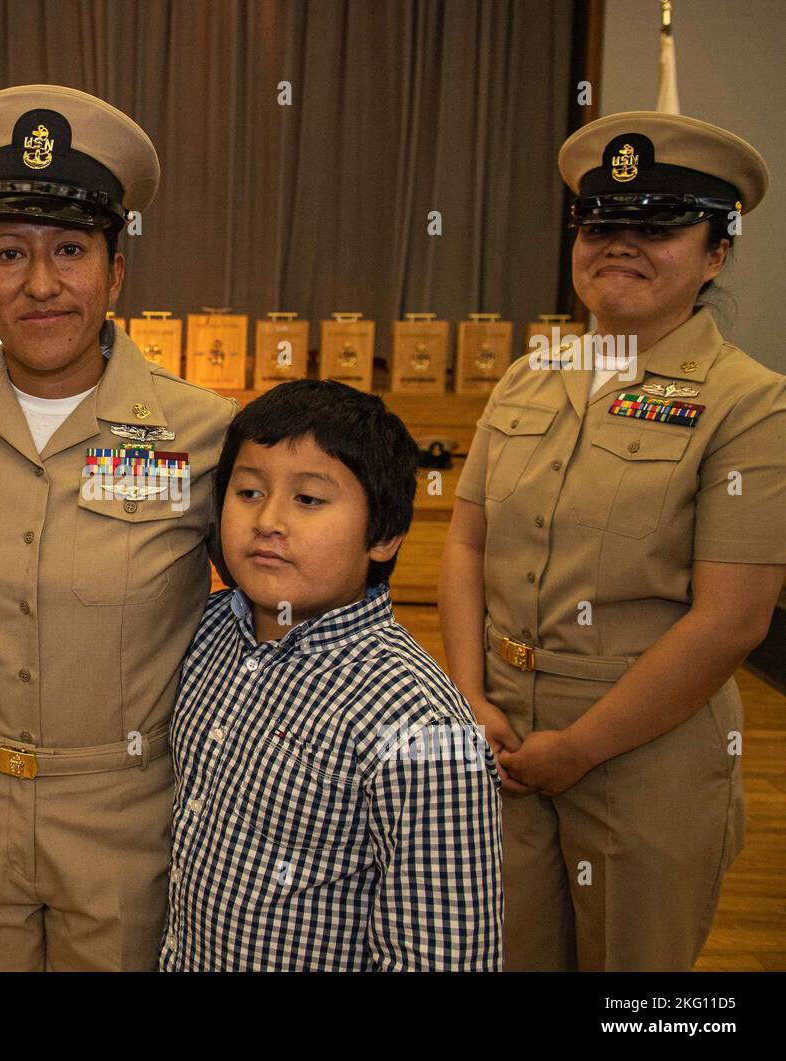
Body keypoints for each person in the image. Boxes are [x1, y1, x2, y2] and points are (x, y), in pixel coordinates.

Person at [439, 111, 786, 971]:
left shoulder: (751, 404)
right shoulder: (530, 373)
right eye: (600, 225)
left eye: (658, 225)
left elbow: (731, 622)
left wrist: (579, 748)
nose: (619, 245)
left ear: (716, 253)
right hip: (504, 742)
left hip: (644, 756)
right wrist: (471, 699)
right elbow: (467, 546)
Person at [0, 84, 236, 970]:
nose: (41, 284)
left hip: (124, 813)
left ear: (116, 272)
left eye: (71, 250)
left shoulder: (202, 432)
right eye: (9, 253)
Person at [159, 380, 503, 971]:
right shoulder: (203, 633)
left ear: (384, 535)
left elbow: (443, 953)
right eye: (248, 492)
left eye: (310, 500)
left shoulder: (422, 723)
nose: (268, 520)